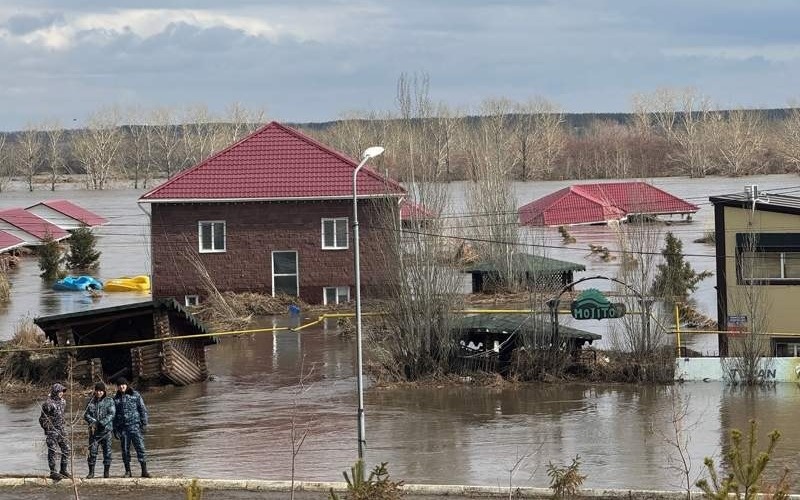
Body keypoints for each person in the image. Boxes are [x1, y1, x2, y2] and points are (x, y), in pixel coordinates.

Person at [113, 378, 151, 478]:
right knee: (125, 451)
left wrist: (144, 424)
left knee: (140, 448)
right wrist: (115, 429)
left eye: (123, 384)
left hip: (135, 427)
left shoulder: (135, 395)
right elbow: (114, 416)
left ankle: (144, 471)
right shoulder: (115, 398)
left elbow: (142, 410)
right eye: (119, 385)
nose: (122, 387)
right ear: (118, 387)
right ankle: (128, 472)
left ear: (127, 385)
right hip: (123, 429)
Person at [38, 383, 71, 481]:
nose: (61, 393)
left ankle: (63, 470)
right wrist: (47, 430)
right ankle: (53, 472)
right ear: (55, 392)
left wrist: (64, 424)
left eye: (62, 391)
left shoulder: (63, 402)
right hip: (52, 431)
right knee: (52, 451)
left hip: (61, 430)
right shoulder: (48, 404)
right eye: (59, 391)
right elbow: (42, 419)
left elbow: (61, 415)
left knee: (67, 449)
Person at [83, 381, 115, 479]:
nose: (99, 393)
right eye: (97, 391)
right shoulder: (91, 401)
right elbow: (86, 415)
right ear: (95, 391)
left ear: (104, 391)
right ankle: (91, 473)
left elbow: (112, 414)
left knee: (107, 453)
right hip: (94, 432)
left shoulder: (109, 401)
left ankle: (106, 473)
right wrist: (94, 422)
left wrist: (102, 422)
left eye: (101, 391)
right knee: (92, 452)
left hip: (106, 432)